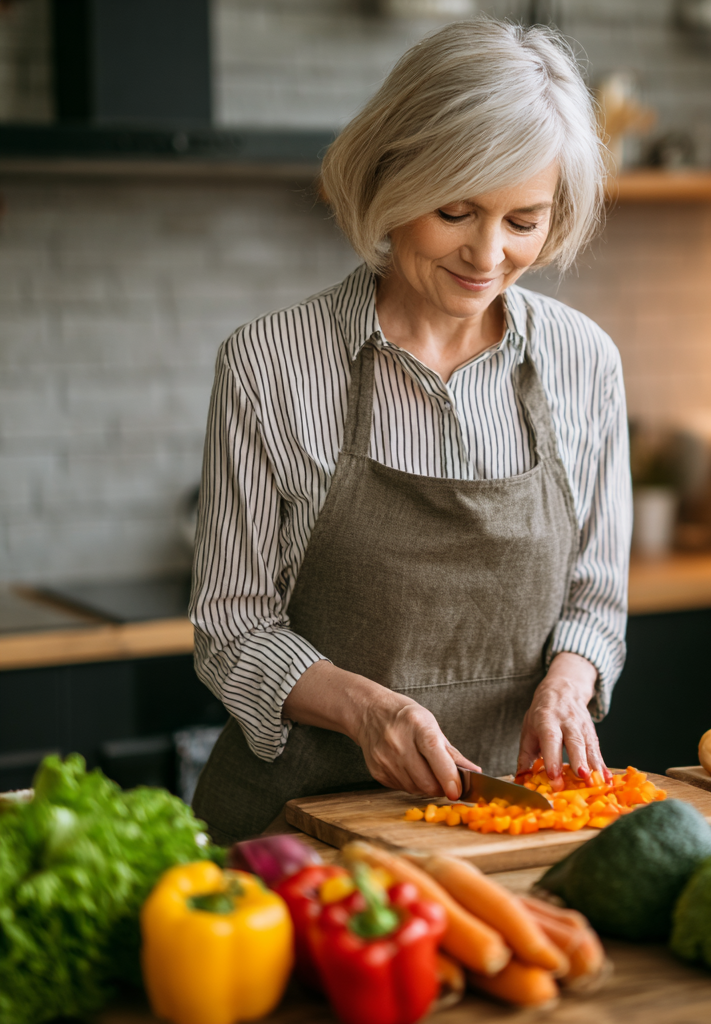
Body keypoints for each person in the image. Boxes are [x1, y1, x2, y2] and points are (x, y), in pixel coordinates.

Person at [189, 18, 631, 844]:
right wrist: (368, 711)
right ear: (393, 182)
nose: (488, 254)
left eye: (524, 220)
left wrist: (567, 685)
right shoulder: (269, 363)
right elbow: (230, 628)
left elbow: (595, 600)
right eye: (455, 211)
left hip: (498, 831)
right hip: (296, 836)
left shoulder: (584, 362)